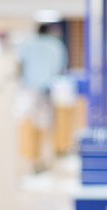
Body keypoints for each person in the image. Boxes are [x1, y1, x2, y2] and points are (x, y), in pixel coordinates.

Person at [16, 23, 68, 170]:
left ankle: (33, 160)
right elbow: (59, 68)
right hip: (47, 89)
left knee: (30, 124)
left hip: (29, 90)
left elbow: (19, 66)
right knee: (47, 125)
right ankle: (47, 158)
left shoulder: (27, 45)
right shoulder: (55, 45)